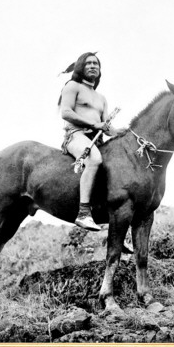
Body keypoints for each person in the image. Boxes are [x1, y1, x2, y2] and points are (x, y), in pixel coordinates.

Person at [59, 52, 125, 231]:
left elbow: (106, 127)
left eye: (96, 63)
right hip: (76, 135)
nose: (92, 66)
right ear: (81, 67)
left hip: (96, 139)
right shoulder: (73, 86)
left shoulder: (101, 98)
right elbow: (66, 112)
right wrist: (95, 124)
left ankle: (113, 222)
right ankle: (83, 213)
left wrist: (119, 131)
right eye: (88, 63)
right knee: (94, 159)